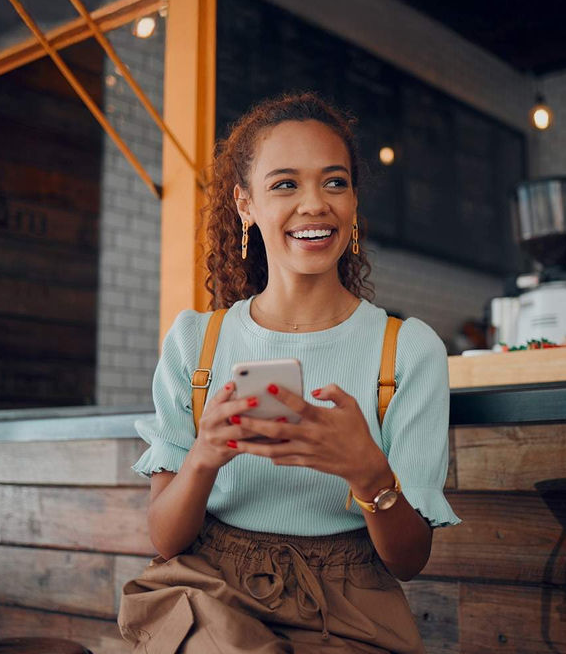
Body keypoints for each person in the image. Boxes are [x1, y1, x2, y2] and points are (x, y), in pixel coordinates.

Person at [118, 92, 460, 653]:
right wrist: (204, 456)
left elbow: (408, 562)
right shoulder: (194, 343)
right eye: (285, 184)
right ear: (245, 204)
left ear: (353, 201)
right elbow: (166, 538)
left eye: (334, 182)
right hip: (212, 595)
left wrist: (370, 475)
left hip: (352, 612)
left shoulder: (407, 350)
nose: (315, 204)